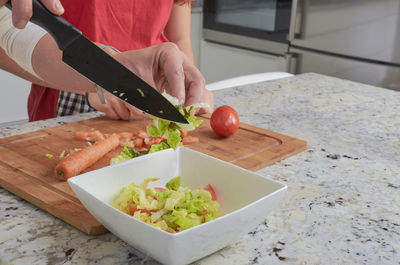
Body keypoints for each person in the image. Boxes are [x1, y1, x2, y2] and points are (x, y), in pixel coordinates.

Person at [0, 0, 213, 121]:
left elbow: (180, 39)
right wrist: (100, 80)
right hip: (71, 93)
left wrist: (185, 85)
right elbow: (7, 35)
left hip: (153, 96)